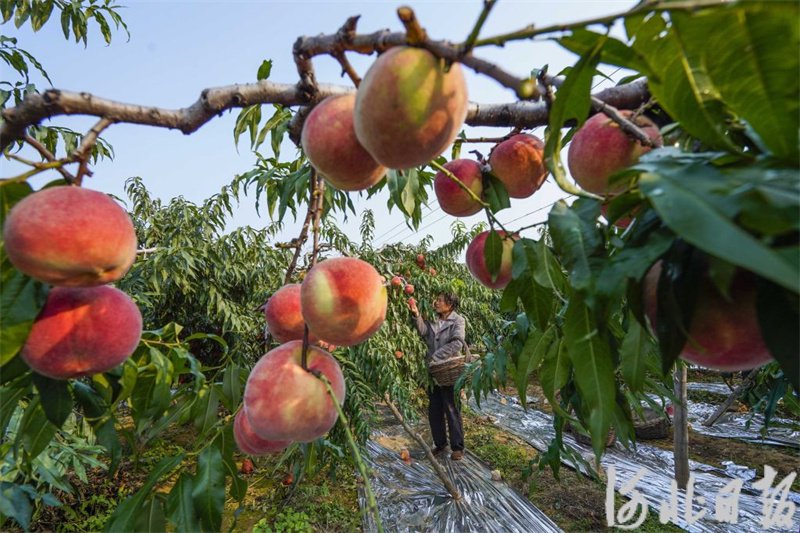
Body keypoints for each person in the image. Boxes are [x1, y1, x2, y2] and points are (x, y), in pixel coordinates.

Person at [409, 291, 466, 461]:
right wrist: (416, 314)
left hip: (448, 369)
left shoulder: (458, 320)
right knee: (434, 408)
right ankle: (440, 444)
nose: (437, 302)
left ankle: (457, 447)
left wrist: (436, 357)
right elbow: (424, 332)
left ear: (450, 304)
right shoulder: (433, 318)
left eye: (440, 300)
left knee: (451, 407)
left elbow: (457, 343)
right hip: (433, 372)